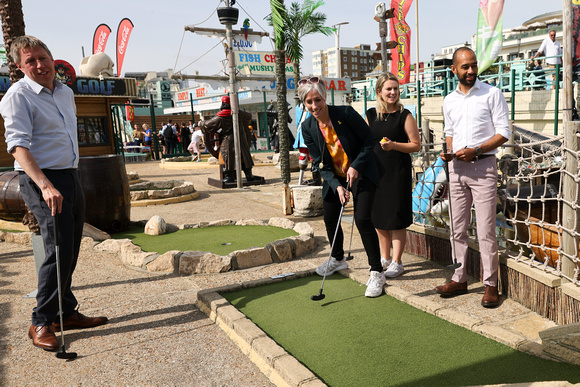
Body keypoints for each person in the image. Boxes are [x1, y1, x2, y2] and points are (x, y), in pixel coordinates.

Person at [0, 35, 108, 352]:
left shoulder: (65, 92)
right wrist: (46, 185)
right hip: (41, 180)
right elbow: (18, 148)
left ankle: (65, 313)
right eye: (30, 61)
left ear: (51, 57)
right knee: (57, 251)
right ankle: (40, 321)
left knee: (71, 247)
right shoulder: (18, 96)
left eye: (42, 57)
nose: (39, 65)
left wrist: (69, 178)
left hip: (69, 176)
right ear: (19, 67)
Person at [436, 47, 511, 308]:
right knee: (457, 228)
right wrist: (447, 151)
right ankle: (459, 278)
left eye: (473, 66)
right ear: (454, 69)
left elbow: (504, 133)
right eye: (465, 67)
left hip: (483, 168)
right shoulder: (449, 100)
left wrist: (477, 150)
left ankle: (490, 284)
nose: (470, 71)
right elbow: (449, 132)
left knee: (486, 230)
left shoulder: (492, 94)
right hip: (456, 169)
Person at [298, 77, 385, 298]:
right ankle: (337, 259)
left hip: (362, 170)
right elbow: (320, 162)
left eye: (317, 99)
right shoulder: (308, 127)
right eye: (309, 102)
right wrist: (336, 186)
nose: (314, 106)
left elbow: (369, 141)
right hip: (335, 176)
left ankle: (376, 271)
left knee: (363, 218)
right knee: (329, 216)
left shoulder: (345, 114)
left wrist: (355, 166)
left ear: (325, 97)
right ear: (304, 103)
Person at [366, 73, 421, 278]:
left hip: (397, 173)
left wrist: (394, 145)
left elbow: (416, 145)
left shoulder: (405, 115)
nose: (393, 92)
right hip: (376, 173)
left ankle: (398, 261)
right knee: (379, 218)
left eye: (396, 88)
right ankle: (385, 258)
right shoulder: (370, 115)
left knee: (397, 217)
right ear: (379, 91)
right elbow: (365, 143)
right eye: (388, 89)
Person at [198, 96, 256, 183]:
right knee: (244, 155)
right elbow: (249, 116)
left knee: (224, 155)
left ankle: (229, 176)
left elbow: (208, 125)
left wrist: (200, 123)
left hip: (229, 141)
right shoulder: (240, 114)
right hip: (242, 140)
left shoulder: (221, 116)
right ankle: (249, 175)